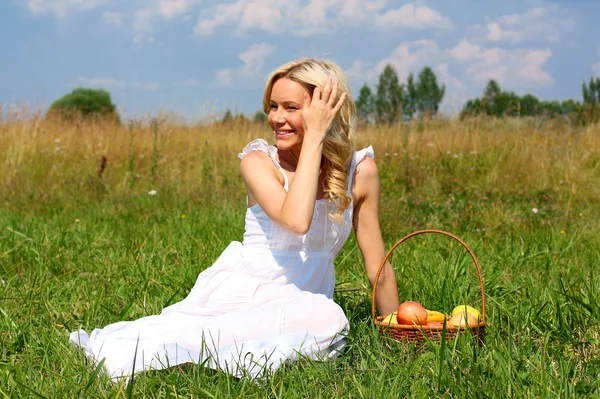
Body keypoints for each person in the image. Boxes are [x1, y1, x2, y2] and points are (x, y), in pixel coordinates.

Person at [69, 58, 399, 381]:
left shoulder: (361, 172)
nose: (277, 119)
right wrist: (313, 138)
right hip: (247, 293)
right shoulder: (258, 161)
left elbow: (378, 269)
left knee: (325, 318)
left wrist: (396, 337)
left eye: (291, 107)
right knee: (328, 318)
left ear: (326, 110)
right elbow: (297, 220)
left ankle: (227, 354)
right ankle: (181, 349)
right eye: (272, 106)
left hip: (300, 306)